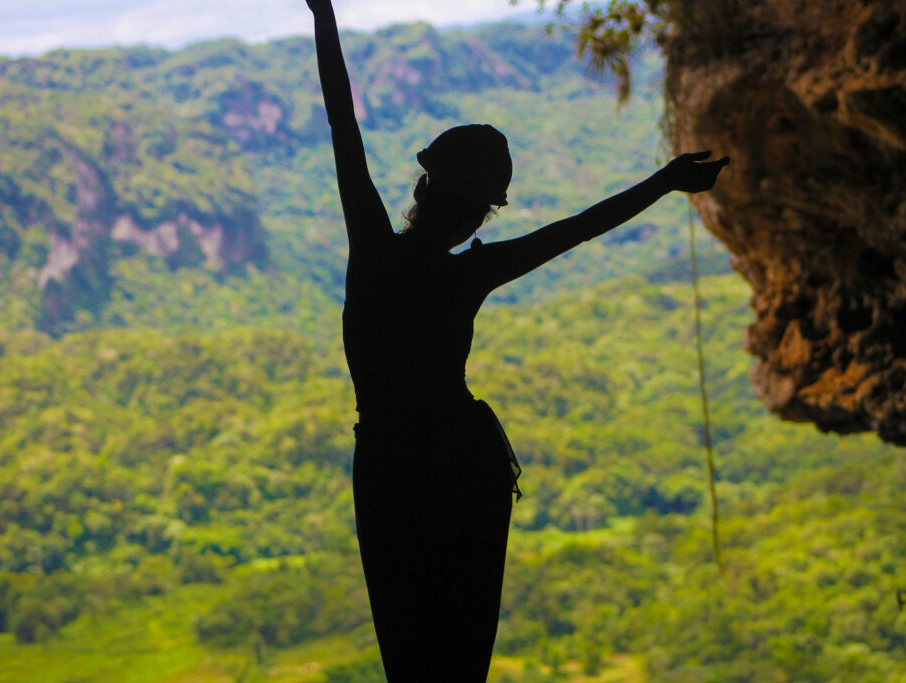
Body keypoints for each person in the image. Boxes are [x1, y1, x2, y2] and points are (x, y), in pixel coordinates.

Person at [306, 1, 730, 680]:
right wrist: (668, 181)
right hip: (462, 464)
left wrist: (322, 14)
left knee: (410, 650)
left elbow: (341, 121)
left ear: (422, 187)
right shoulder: (471, 271)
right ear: (479, 211)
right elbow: (582, 227)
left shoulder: (376, 252)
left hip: (390, 466)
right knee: (461, 649)